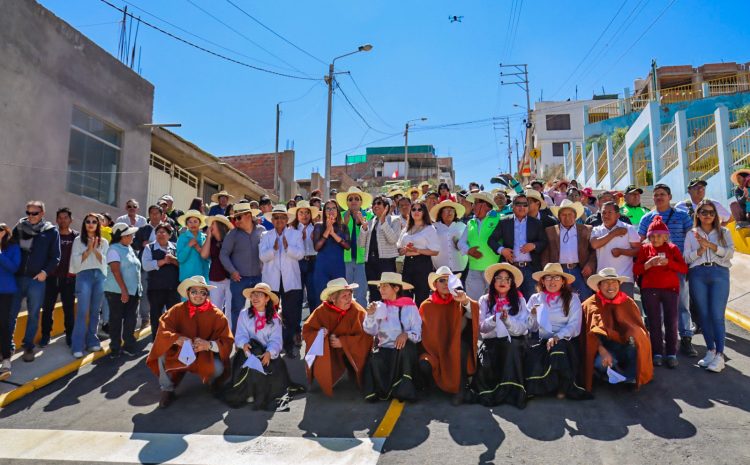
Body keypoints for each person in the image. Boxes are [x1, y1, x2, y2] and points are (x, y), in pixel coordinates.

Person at [146, 276, 233, 408]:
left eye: (202, 292)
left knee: (219, 368)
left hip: (205, 357)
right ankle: (167, 389)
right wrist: (176, 338)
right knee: (161, 351)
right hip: (180, 354)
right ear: (188, 293)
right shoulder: (176, 310)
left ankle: (213, 382)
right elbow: (163, 329)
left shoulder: (217, 315)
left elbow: (227, 342)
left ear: (206, 295)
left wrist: (208, 345)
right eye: (194, 292)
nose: (198, 296)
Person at [223, 283, 304, 410]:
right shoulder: (244, 314)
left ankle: (259, 393)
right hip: (247, 354)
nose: (255, 298)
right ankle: (249, 392)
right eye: (253, 295)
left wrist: (269, 353)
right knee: (248, 371)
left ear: (267, 299)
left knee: (271, 378)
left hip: (267, 356)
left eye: (259, 295)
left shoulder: (275, 319)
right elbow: (240, 334)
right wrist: (244, 344)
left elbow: (276, 341)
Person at [638, 183, 696, 357]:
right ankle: (662, 343)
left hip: (677, 267)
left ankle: (686, 339)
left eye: (662, 194)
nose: (659, 197)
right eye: (656, 195)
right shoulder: (647, 218)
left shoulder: (683, 216)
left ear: (670, 197)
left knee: (682, 305)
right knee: (658, 311)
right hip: (654, 270)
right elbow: (641, 241)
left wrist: (689, 262)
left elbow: (692, 238)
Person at [580, 268, 653, 391]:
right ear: (599, 286)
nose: (610, 286)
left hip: (624, 346)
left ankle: (628, 376)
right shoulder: (589, 305)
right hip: (603, 349)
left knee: (639, 340)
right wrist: (602, 351)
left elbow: (638, 327)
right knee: (600, 363)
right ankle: (605, 374)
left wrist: (634, 336)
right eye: (606, 283)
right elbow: (588, 336)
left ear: (619, 285)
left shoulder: (628, 302)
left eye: (614, 282)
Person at [524, 263, 590, 400]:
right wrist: (532, 314)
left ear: (563, 281)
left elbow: (574, 326)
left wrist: (557, 337)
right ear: (542, 281)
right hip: (543, 341)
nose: (552, 281)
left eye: (556, 278)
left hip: (566, 341)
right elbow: (531, 327)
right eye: (548, 277)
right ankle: (549, 386)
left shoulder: (573, 298)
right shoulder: (535, 298)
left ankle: (563, 387)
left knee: (558, 349)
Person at [683, 200, 734, 373]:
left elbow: (729, 254)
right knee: (703, 315)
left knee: (717, 315)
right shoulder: (691, 234)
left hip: (719, 273)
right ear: (698, 214)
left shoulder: (724, 232)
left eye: (712, 212)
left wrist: (711, 246)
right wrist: (699, 250)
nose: (708, 215)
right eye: (704, 212)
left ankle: (720, 354)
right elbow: (686, 258)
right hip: (698, 274)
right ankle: (711, 350)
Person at [474, 263, 532, 408]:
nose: (503, 282)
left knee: (511, 348)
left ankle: (513, 392)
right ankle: (496, 392)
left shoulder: (520, 301)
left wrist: (507, 320)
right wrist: (494, 319)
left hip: (515, 341)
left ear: (512, 283)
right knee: (487, 359)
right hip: (492, 342)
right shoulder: (484, 300)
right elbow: (482, 328)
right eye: (499, 278)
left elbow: (522, 328)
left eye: (507, 279)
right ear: (493, 281)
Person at [302, 278, 372, 397]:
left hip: (351, 351)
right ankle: (325, 375)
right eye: (344, 296)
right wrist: (319, 334)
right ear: (332, 298)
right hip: (330, 351)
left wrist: (343, 342)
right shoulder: (320, 312)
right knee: (318, 341)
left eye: (350, 295)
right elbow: (307, 331)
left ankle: (358, 373)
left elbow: (367, 337)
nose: (349, 299)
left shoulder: (357, 310)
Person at [418, 266, 479, 405]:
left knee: (461, 348)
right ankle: (433, 387)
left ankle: (461, 389)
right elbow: (423, 334)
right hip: (434, 351)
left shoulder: (458, 299)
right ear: (435, 285)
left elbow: (473, 313)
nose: (446, 284)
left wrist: (465, 301)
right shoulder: (426, 305)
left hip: (454, 346)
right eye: (441, 280)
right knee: (424, 364)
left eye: (449, 280)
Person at [634, 216, 688, 369]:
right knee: (654, 322)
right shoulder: (645, 249)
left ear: (666, 236)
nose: (655, 238)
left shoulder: (672, 248)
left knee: (671, 322)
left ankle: (671, 353)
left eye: (659, 235)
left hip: (670, 290)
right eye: (652, 236)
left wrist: (669, 263)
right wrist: (648, 264)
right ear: (648, 236)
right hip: (649, 290)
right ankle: (657, 353)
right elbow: (636, 269)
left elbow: (683, 268)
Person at [10, 200, 60, 362]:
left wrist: (45, 272)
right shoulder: (18, 228)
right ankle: (7, 347)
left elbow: (55, 257)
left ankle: (28, 346)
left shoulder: (51, 232)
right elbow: (8, 248)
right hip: (16, 279)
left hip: (36, 280)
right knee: (10, 314)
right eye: (28, 213)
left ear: (42, 214)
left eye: (34, 213)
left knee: (33, 315)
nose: (31, 216)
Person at [362, 272, 422, 402]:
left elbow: (418, 334)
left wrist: (406, 334)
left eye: (385, 286)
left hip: (402, 351)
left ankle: (406, 389)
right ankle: (386, 391)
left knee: (407, 349)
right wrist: (371, 315)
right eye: (380, 286)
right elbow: (370, 331)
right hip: (386, 349)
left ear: (396, 288)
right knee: (375, 358)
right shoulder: (379, 306)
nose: (381, 289)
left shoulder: (410, 307)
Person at [259, 205, 304, 357]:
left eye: (282, 217)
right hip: (271, 282)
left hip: (291, 280)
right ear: (272, 220)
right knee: (270, 314)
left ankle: (288, 345)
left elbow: (300, 254)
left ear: (287, 220)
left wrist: (287, 247)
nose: (279, 220)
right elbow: (262, 256)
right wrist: (273, 249)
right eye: (276, 217)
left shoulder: (295, 234)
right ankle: (269, 345)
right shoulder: (266, 235)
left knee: (291, 315)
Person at [489, 192, 548, 300]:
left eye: (525, 204)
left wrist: (534, 245)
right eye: (518, 204)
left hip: (531, 268)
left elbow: (544, 242)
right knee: (511, 301)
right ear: (513, 206)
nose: (522, 207)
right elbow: (491, 240)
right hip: (511, 268)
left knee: (533, 301)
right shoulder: (504, 222)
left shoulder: (536, 223)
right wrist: (502, 250)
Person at [219, 203, 265, 332]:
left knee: (259, 311)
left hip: (258, 278)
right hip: (239, 279)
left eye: (238, 218)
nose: (236, 221)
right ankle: (238, 344)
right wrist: (232, 271)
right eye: (234, 218)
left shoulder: (262, 231)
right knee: (237, 311)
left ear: (249, 216)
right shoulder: (232, 234)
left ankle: (257, 339)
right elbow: (223, 254)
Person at [69, 213, 108, 358]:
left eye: (94, 222)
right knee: (82, 311)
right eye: (88, 221)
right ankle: (77, 345)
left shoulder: (103, 242)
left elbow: (104, 262)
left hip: (99, 276)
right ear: (84, 224)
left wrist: (95, 248)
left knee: (95, 311)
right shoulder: (78, 240)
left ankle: (92, 341)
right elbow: (75, 263)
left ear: (98, 225)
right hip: (84, 276)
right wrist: (88, 249)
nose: (90, 224)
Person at [542, 200, 596, 300]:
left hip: (580, 270)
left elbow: (594, 251)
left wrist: (590, 265)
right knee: (560, 300)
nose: (567, 217)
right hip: (559, 272)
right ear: (559, 216)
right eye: (563, 214)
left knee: (584, 299)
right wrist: (547, 273)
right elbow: (545, 254)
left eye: (570, 214)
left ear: (575, 216)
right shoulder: (550, 231)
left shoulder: (586, 229)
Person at [41, 207, 78, 347]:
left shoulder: (76, 237)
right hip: (51, 278)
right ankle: (45, 335)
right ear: (56, 220)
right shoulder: (52, 235)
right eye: (60, 218)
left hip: (69, 279)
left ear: (71, 220)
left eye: (65, 217)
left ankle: (69, 335)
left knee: (68, 309)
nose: (63, 220)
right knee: (47, 309)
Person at [104, 223, 142, 358]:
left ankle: (128, 345)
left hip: (133, 291)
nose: (132, 236)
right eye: (129, 234)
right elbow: (115, 271)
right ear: (122, 236)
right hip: (117, 292)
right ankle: (115, 348)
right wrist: (124, 291)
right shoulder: (113, 249)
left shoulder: (129, 248)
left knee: (131, 319)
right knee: (116, 319)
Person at [590, 202, 641, 297]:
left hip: (624, 279)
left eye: (609, 212)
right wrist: (614, 233)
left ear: (618, 215)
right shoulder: (596, 230)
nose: (606, 215)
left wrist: (622, 251)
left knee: (625, 310)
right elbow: (595, 244)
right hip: (602, 279)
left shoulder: (628, 228)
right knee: (605, 311)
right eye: (603, 213)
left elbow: (639, 250)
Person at [141, 223, 181, 340]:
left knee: (174, 317)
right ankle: (157, 343)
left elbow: (183, 264)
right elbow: (146, 265)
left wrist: (173, 260)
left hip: (173, 289)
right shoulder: (149, 248)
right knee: (156, 318)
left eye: (164, 232)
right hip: (155, 289)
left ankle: (173, 343)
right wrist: (162, 261)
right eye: (158, 232)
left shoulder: (176, 247)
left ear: (169, 235)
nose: (161, 234)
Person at [458, 192, 500, 300]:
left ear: (485, 205)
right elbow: (460, 243)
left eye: (476, 203)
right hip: (473, 270)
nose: (473, 206)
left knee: (493, 304)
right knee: (474, 304)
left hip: (494, 270)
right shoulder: (470, 223)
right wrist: (468, 251)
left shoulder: (499, 219)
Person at [360, 196, 401, 302]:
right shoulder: (370, 221)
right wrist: (364, 228)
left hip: (386, 262)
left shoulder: (395, 220)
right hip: (370, 262)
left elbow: (393, 239)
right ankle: (374, 316)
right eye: (374, 204)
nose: (375, 206)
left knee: (388, 292)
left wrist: (383, 222)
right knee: (373, 292)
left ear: (386, 207)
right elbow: (361, 244)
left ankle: (389, 316)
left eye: (379, 203)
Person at [397, 201, 439, 305]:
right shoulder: (406, 228)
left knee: (421, 298)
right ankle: (407, 321)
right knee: (405, 296)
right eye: (414, 209)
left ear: (424, 212)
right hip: (407, 264)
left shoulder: (430, 228)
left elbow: (435, 251)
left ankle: (421, 321)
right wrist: (404, 250)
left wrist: (417, 250)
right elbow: (399, 248)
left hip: (423, 264)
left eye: (419, 209)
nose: (416, 211)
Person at [337, 187, 373, 305]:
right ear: (347, 202)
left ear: (361, 202)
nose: (353, 201)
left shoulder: (368, 216)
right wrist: (345, 223)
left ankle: (362, 320)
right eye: (350, 199)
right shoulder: (340, 216)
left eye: (357, 199)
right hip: (344, 260)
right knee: (344, 294)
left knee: (361, 294)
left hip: (362, 260)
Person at [200, 215, 233, 319]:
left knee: (230, 309)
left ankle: (229, 333)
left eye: (213, 224)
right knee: (215, 309)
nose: (210, 226)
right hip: (215, 277)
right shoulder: (211, 240)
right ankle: (216, 332)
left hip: (230, 278)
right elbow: (204, 255)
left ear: (219, 225)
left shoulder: (230, 239)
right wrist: (208, 237)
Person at [289, 201, 319, 312]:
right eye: (301, 212)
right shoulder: (292, 229)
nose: (304, 215)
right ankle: (296, 326)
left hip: (313, 261)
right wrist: (300, 240)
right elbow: (290, 248)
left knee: (313, 295)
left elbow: (319, 246)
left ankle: (314, 322)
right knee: (297, 295)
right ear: (297, 215)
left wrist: (314, 239)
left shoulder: (316, 227)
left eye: (307, 212)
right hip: (298, 263)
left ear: (310, 215)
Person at [0, 224, 20, 379]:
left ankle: (6, 358)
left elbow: (14, 268)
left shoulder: (13, 248)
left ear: (6, 232)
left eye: (0, 230)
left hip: (6, 291)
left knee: (4, 324)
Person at [431, 200, 468, 275]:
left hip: (460, 266)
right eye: (447, 210)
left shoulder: (462, 226)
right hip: (440, 268)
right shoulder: (433, 227)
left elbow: (469, 243)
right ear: (441, 213)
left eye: (452, 210)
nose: (450, 212)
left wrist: (460, 244)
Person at [176, 210, 209, 283]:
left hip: (203, 277)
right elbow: (180, 258)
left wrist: (199, 249)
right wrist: (189, 245)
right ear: (186, 224)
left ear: (200, 223)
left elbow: (209, 259)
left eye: (195, 221)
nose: (192, 224)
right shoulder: (182, 238)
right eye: (190, 222)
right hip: (187, 278)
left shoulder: (205, 237)